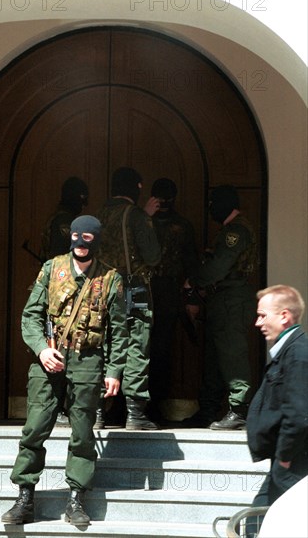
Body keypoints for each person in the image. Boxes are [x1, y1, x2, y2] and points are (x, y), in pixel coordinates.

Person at [1, 215, 128, 527]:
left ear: (96, 240)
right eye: (75, 236)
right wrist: (42, 349)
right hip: (49, 361)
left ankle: (76, 498)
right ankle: (25, 496)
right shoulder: (51, 268)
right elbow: (30, 316)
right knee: (34, 429)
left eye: (87, 238)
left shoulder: (111, 279)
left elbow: (120, 330)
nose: (80, 244)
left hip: (87, 362)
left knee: (83, 434)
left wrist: (114, 371)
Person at [182, 184, 258, 430]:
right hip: (222, 300)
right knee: (215, 357)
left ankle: (240, 410)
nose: (211, 209)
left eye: (213, 203)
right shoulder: (229, 230)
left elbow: (219, 266)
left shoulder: (234, 232)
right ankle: (208, 410)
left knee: (232, 354)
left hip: (231, 300)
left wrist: (194, 281)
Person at [96, 166, 162, 430]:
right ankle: (135, 413)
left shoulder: (99, 214)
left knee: (104, 342)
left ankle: (99, 411)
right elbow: (153, 255)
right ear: (136, 187)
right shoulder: (134, 215)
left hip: (101, 287)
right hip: (133, 286)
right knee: (136, 340)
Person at [246, 285, 308, 521]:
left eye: (263, 315)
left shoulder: (298, 354)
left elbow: (298, 414)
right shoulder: (287, 352)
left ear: (284, 316)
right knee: (256, 521)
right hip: (285, 464)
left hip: (293, 464)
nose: (257, 323)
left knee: (258, 522)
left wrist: (284, 458)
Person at [148, 178, 198, 423]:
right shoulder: (142, 221)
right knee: (137, 349)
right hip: (144, 289)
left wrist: (191, 296)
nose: (164, 203)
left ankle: (156, 406)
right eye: (160, 197)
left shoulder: (182, 226)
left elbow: (191, 263)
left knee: (161, 351)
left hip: (169, 291)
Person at [40, 175, 89, 426]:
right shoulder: (63, 221)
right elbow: (64, 256)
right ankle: (58, 406)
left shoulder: (59, 217)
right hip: (61, 291)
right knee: (60, 347)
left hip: (61, 290)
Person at [40, 176, 89, 261]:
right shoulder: (63, 222)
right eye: (82, 198)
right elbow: (61, 254)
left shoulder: (60, 218)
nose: (84, 205)